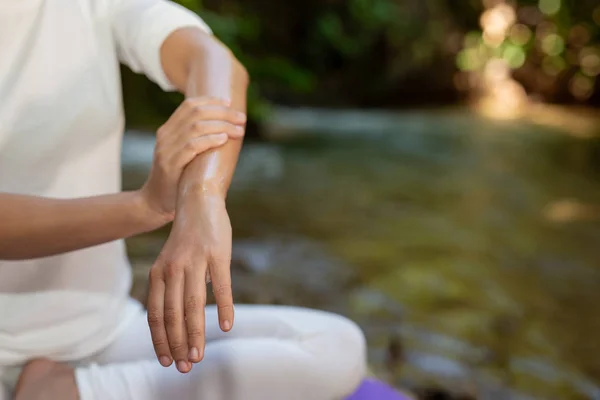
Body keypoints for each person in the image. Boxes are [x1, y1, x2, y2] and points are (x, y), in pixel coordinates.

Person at [0, 0, 367, 399]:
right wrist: (143, 207)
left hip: (105, 335)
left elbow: (211, 62)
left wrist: (202, 195)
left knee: (335, 348)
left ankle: (77, 391)